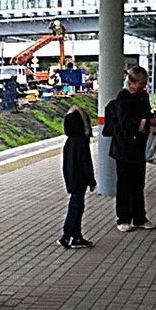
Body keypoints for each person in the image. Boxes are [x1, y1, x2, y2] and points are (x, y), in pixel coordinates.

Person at [111, 66, 156, 232]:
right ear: (132, 82)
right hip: (124, 147)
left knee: (138, 183)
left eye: (145, 83)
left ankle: (140, 217)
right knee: (124, 184)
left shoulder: (143, 96)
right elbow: (125, 123)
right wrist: (147, 122)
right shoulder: (123, 98)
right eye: (141, 83)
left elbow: (146, 114)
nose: (144, 86)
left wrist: (154, 117)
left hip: (139, 146)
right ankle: (123, 219)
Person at [59, 106, 96, 249]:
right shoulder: (81, 142)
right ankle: (67, 236)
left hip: (71, 177)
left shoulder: (69, 142)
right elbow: (86, 162)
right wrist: (91, 180)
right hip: (80, 179)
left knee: (76, 206)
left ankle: (76, 236)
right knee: (76, 207)